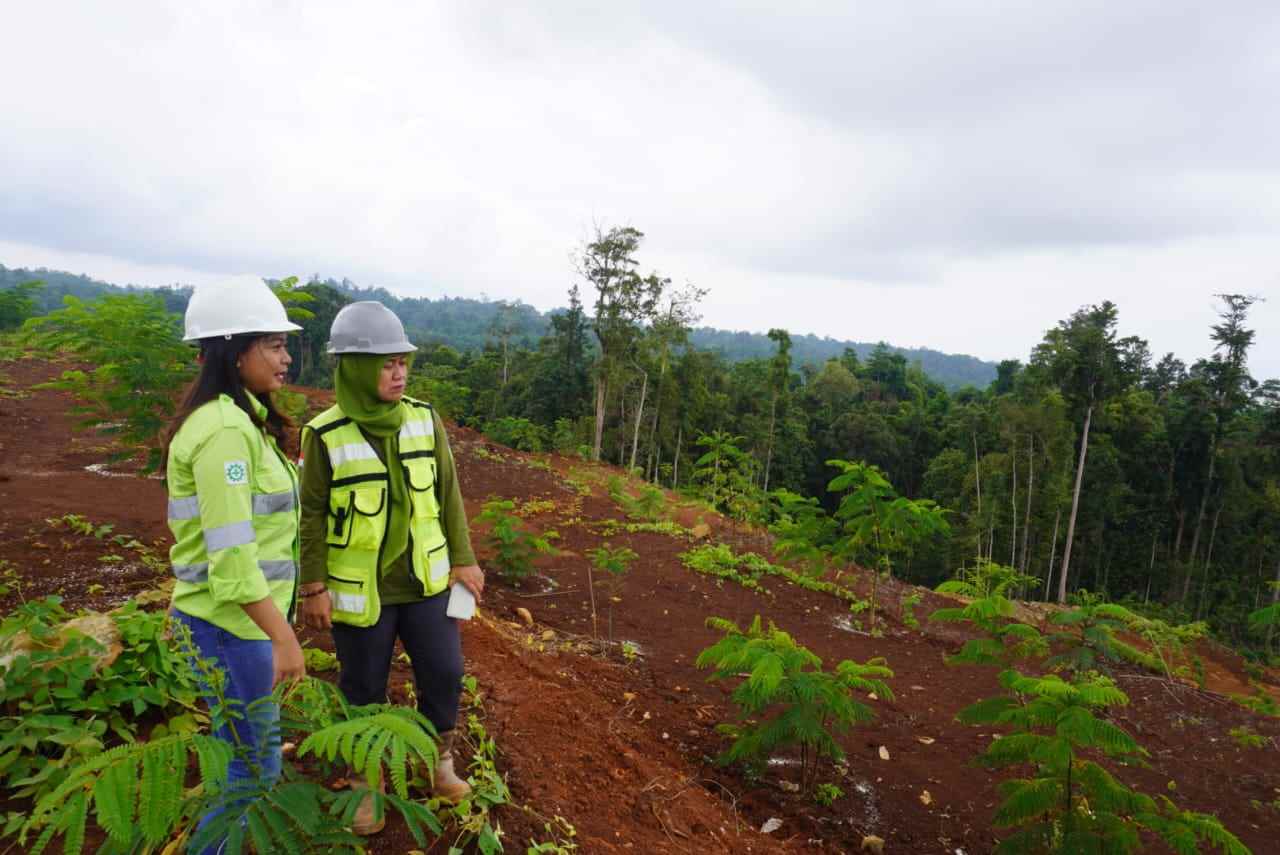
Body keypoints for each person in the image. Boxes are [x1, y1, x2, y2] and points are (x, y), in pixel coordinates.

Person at [297, 301, 484, 835]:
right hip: (362, 590)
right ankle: (365, 784)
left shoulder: (424, 419)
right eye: (385, 363)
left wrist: (465, 559)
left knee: (444, 672)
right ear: (354, 367)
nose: (399, 372)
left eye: (403, 361)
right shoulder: (325, 435)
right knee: (363, 686)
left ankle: (437, 764)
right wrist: (313, 586)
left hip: (425, 580)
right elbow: (309, 516)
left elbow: (448, 494)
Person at [163, 274, 305, 853]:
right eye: (273, 344)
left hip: (237, 624)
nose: (286, 358)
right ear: (234, 349)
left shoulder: (241, 421)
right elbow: (232, 561)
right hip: (230, 626)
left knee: (249, 753)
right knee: (252, 773)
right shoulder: (225, 433)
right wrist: (283, 637)